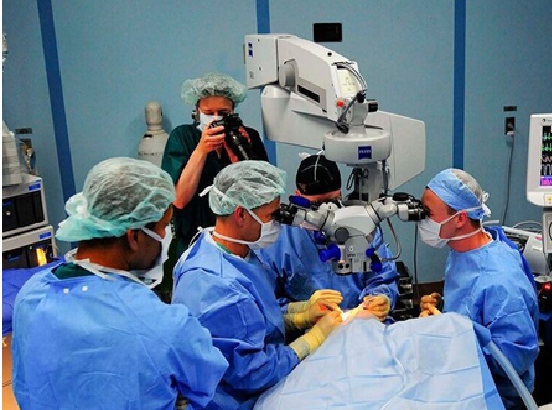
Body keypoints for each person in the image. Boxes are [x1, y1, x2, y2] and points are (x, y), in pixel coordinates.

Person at [11, 157, 228, 410]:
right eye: (162, 227)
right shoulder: (162, 323)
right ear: (134, 237)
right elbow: (206, 382)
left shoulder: (31, 294)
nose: (164, 237)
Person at [172, 160, 343, 410]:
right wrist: (312, 339)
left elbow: (249, 318)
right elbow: (251, 373)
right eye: (270, 216)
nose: (277, 224)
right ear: (241, 214)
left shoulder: (235, 251)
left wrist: (300, 313)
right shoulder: (214, 285)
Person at [417, 168, 539, 410]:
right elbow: (470, 304)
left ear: (460, 219)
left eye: (428, 213)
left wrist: (451, 334)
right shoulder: (465, 250)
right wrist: (441, 311)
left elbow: (514, 359)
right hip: (464, 378)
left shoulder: (499, 280)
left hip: (495, 396)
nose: (422, 220)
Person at [258, 154, 399, 321]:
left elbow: (383, 277)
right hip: (310, 331)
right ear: (298, 197)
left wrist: (381, 298)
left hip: (362, 323)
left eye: (334, 201)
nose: (327, 212)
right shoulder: (278, 240)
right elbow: (267, 304)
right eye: (317, 204)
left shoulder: (361, 226)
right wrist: (302, 315)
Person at [161, 71, 268, 263]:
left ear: (233, 112)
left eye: (223, 114)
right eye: (209, 113)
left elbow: (263, 198)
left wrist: (240, 157)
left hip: (240, 242)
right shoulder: (183, 137)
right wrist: (201, 150)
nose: (216, 118)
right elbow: (179, 200)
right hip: (194, 243)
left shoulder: (247, 137)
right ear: (197, 112)